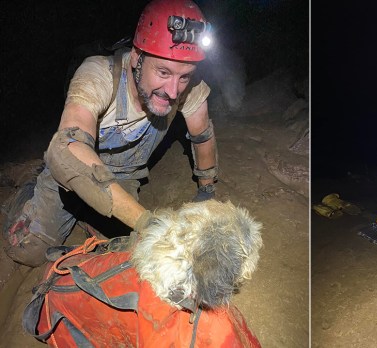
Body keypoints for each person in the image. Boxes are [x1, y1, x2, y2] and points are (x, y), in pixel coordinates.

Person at [2, 0, 218, 267]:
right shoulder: (99, 74)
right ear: (138, 58)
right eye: (163, 72)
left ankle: (87, 215)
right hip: (71, 175)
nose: (173, 91)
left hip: (122, 179)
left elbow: (202, 136)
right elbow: (66, 148)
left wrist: (206, 191)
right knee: (27, 251)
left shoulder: (188, 88)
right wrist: (145, 221)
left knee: (130, 256)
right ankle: (28, 182)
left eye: (184, 76)